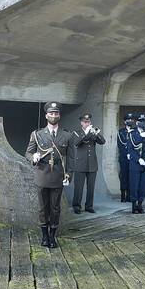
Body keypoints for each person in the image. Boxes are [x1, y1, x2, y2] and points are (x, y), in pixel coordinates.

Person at [26, 101, 74, 248]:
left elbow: (71, 157)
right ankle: (44, 236)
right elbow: (28, 152)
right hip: (42, 174)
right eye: (51, 113)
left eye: (56, 113)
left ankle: (53, 236)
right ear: (46, 115)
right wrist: (33, 157)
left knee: (55, 208)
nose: (53, 116)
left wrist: (68, 175)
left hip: (58, 175)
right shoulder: (37, 134)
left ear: (59, 115)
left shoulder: (67, 135)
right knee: (42, 208)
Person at [71, 113, 106, 213]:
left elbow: (103, 141)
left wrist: (97, 133)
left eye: (88, 122)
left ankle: (89, 206)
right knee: (79, 188)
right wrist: (88, 133)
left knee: (91, 187)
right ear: (81, 123)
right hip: (80, 165)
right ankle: (77, 206)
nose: (87, 123)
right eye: (85, 122)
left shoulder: (92, 133)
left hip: (92, 165)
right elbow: (77, 143)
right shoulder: (76, 133)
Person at [116, 114, 135, 202]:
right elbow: (122, 144)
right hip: (124, 158)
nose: (130, 121)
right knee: (124, 176)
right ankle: (123, 195)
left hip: (133, 158)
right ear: (125, 121)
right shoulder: (121, 132)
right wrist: (128, 153)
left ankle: (129, 195)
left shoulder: (135, 131)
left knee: (131, 176)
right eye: (128, 120)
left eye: (131, 120)